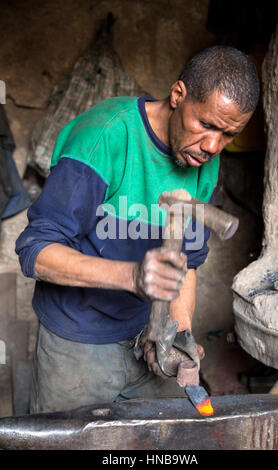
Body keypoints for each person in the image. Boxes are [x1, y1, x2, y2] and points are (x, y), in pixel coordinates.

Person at [16, 46, 259, 413]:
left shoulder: (202, 161)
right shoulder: (105, 137)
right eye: (206, 125)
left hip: (145, 335)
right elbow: (35, 251)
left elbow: (186, 264)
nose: (213, 146)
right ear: (178, 95)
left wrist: (176, 334)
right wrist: (133, 275)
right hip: (77, 339)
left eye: (229, 135)